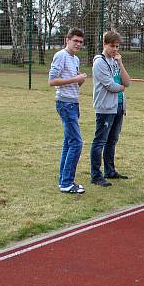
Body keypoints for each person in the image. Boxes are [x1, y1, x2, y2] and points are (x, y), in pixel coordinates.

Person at [90, 30, 131, 186]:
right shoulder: (99, 62)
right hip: (105, 108)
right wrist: (121, 88)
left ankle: (110, 170)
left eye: (117, 46)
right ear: (104, 44)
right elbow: (110, 85)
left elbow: (127, 82)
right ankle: (96, 174)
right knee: (100, 141)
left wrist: (120, 63)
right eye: (112, 46)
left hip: (119, 106)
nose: (115, 49)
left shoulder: (115, 61)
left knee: (112, 140)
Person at [49, 27, 87, 194]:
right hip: (65, 104)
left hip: (73, 102)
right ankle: (66, 183)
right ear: (67, 40)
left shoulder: (75, 59)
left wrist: (79, 81)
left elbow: (73, 82)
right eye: (75, 41)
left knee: (68, 143)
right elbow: (52, 81)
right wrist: (75, 79)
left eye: (80, 42)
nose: (78, 44)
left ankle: (63, 180)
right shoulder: (61, 56)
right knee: (77, 143)